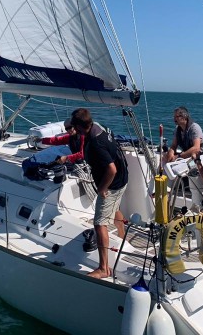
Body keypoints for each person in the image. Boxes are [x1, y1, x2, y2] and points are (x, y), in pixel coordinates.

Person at [71, 107, 128, 279]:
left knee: (99, 223)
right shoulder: (98, 127)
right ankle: (122, 236)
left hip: (112, 184)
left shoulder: (96, 142)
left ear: (80, 127)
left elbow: (111, 169)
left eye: (74, 127)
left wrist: (102, 189)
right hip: (123, 180)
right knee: (115, 206)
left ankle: (104, 268)